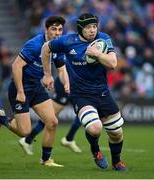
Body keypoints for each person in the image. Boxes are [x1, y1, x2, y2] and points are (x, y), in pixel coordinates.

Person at [41, 13, 127, 171]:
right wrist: (47, 74)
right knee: (95, 128)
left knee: (116, 133)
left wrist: (97, 54)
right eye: (88, 27)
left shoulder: (103, 38)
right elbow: (46, 48)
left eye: (94, 26)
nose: (92, 30)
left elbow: (113, 63)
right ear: (80, 29)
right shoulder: (67, 41)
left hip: (102, 93)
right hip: (80, 95)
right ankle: (96, 151)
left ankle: (117, 161)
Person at [0, 16, 70, 167]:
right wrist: (20, 92)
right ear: (46, 29)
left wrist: (66, 83)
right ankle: (3, 119)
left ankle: (46, 160)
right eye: (54, 29)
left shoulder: (58, 46)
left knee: (52, 122)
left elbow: (62, 69)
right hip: (20, 88)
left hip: (36, 87)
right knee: (25, 131)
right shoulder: (34, 45)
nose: (57, 33)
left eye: (60, 29)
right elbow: (16, 66)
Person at [19, 76, 82, 155]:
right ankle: (27, 140)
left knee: (82, 111)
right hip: (65, 85)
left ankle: (69, 138)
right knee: (50, 118)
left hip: (77, 85)